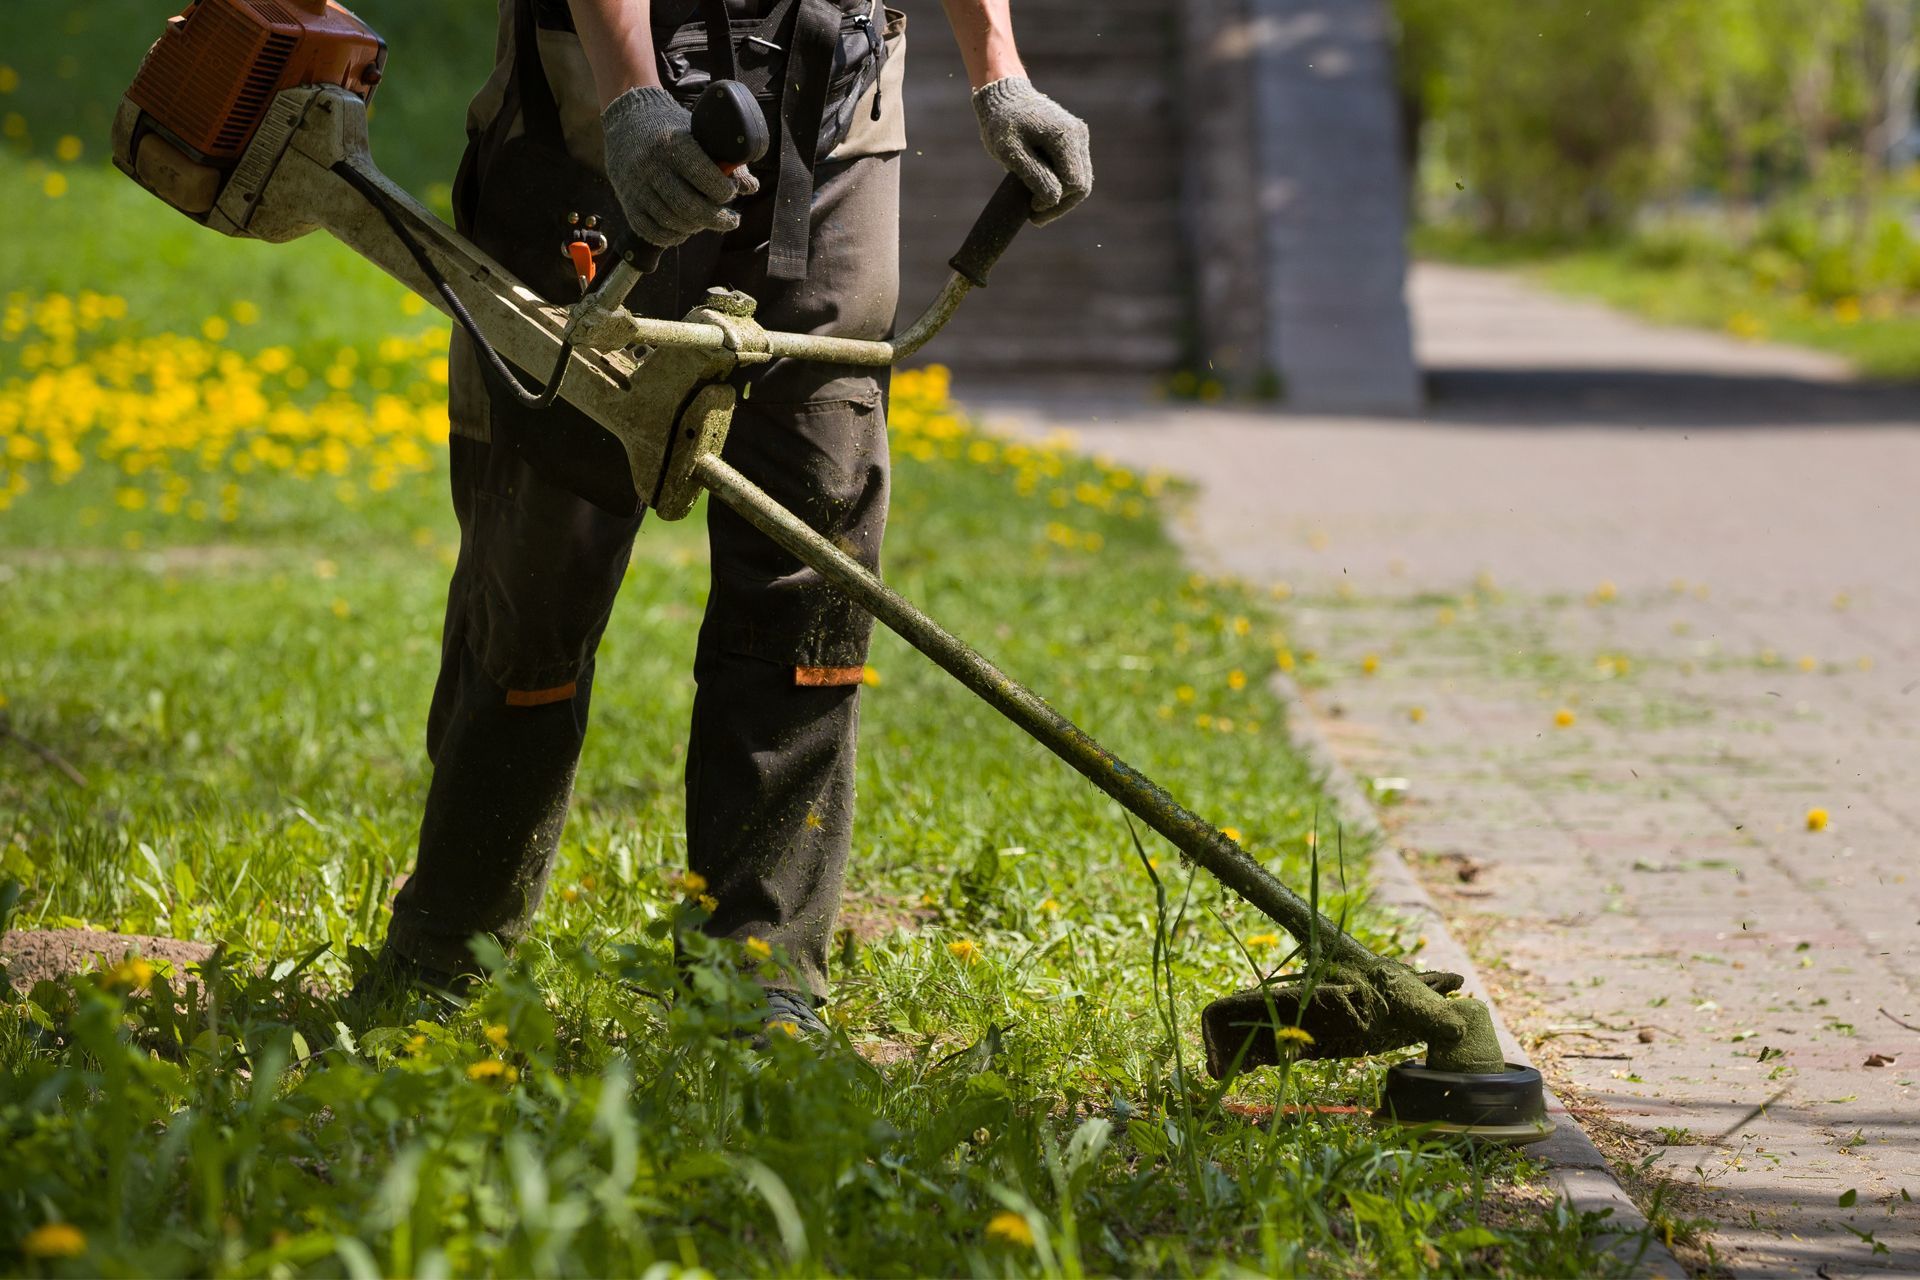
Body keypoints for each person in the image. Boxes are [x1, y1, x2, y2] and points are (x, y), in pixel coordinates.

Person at [360, 0, 1093, 1035]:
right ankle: (448, 949)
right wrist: (630, 101)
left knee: (817, 524)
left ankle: (761, 969)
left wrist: (999, 72)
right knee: (539, 547)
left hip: (838, 98)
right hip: (595, 101)